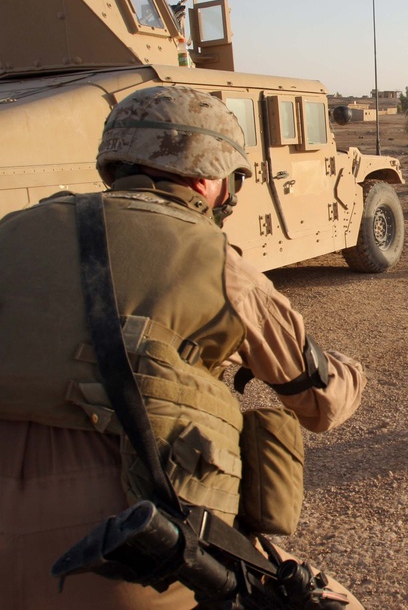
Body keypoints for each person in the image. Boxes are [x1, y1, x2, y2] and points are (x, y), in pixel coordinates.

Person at [0, 86, 366, 609]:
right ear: (208, 176)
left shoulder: (13, 230)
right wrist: (353, 372)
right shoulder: (219, 262)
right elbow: (321, 404)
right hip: (124, 545)